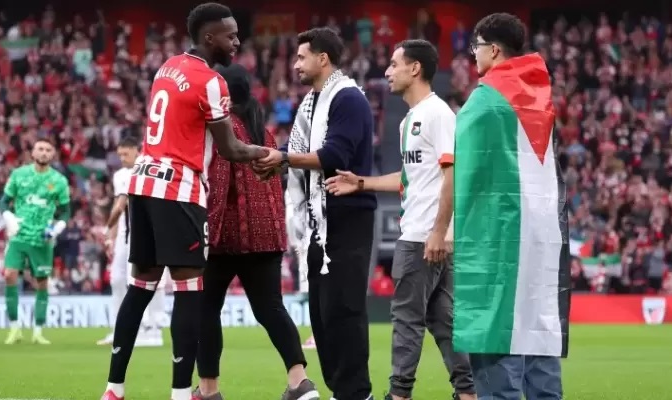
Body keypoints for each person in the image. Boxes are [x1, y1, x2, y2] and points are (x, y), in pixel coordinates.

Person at [100, 4, 269, 400]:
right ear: (209, 37)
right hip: (178, 189)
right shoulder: (211, 81)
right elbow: (230, 149)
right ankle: (179, 394)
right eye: (230, 35)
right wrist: (270, 156)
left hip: (143, 182)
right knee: (189, 291)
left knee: (139, 288)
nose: (237, 42)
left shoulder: (167, 67)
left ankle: (114, 389)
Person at [325, 39, 476, 400]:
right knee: (444, 322)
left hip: (424, 237)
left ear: (415, 68)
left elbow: (453, 173)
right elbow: (409, 178)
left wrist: (438, 231)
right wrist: (362, 183)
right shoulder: (409, 119)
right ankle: (468, 393)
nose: (387, 72)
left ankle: (399, 395)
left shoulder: (438, 114)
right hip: (431, 235)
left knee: (406, 320)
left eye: (394, 65)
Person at [253, 27, 377, 400]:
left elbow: (335, 155)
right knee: (323, 317)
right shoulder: (312, 102)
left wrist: (284, 158)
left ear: (323, 59)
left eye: (301, 56)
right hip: (317, 220)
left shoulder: (348, 98)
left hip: (346, 217)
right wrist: (282, 164)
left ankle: (357, 393)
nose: (295, 64)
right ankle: (342, 390)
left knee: (344, 311)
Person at [451, 13, 568, 400]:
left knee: (495, 332)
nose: (473, 54)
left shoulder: (484, 100)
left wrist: (444, 230)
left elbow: (464, 175)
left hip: (497, 239)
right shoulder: (542, 100)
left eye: (477, 47)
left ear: (494, 50)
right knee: (537, 334)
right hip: (542, 239)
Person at [193, 63, 318, 400]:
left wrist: (203, 234)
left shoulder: (219, 128)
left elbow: (219, 184)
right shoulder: (262, 131)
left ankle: (208, 390)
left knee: (206, 310)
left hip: (225, 236)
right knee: (271, 309)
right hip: (267, 236)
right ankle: (300, 381)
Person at [0, 138, 71, 345]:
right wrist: (9, 217)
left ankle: (38, 331)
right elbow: (4, 201)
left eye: (48, 150)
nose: (44, 152)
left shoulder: (59, 181)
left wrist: (58, 227)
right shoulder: (19, 175)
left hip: (42, 239)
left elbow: (66, 210)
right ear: (32, 153)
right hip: (19, 235)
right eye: (40, 149)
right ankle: (15, 328)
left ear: (53, 155)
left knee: (42, 283)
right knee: (9, 275)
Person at [97, 136, 166, 347]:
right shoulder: (120, 175)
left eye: (125, 154)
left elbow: (120, 206)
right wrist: (111, 237)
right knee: (117, 280)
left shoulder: (147, 169)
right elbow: (119, 207)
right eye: (119, 154)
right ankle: (120, 328)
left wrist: (106, 228)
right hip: (124, 236)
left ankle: (152, 328)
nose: (122, 158)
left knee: (143, 281)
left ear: (137, 150)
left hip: (145, 235)